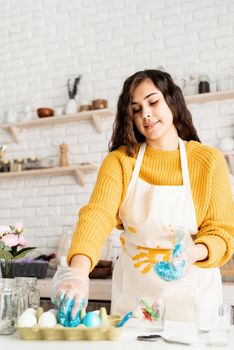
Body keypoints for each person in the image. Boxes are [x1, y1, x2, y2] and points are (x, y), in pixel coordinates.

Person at [51, 69, 234, 327]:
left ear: (172, 101)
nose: (145, 114)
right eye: (136, 109)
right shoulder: (120, 161)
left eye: (153, 101)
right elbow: (97, 215)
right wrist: (77, 273)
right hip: (136, 294)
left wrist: (193, 252)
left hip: (193, 292)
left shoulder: (207, 161)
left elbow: (222, 231)